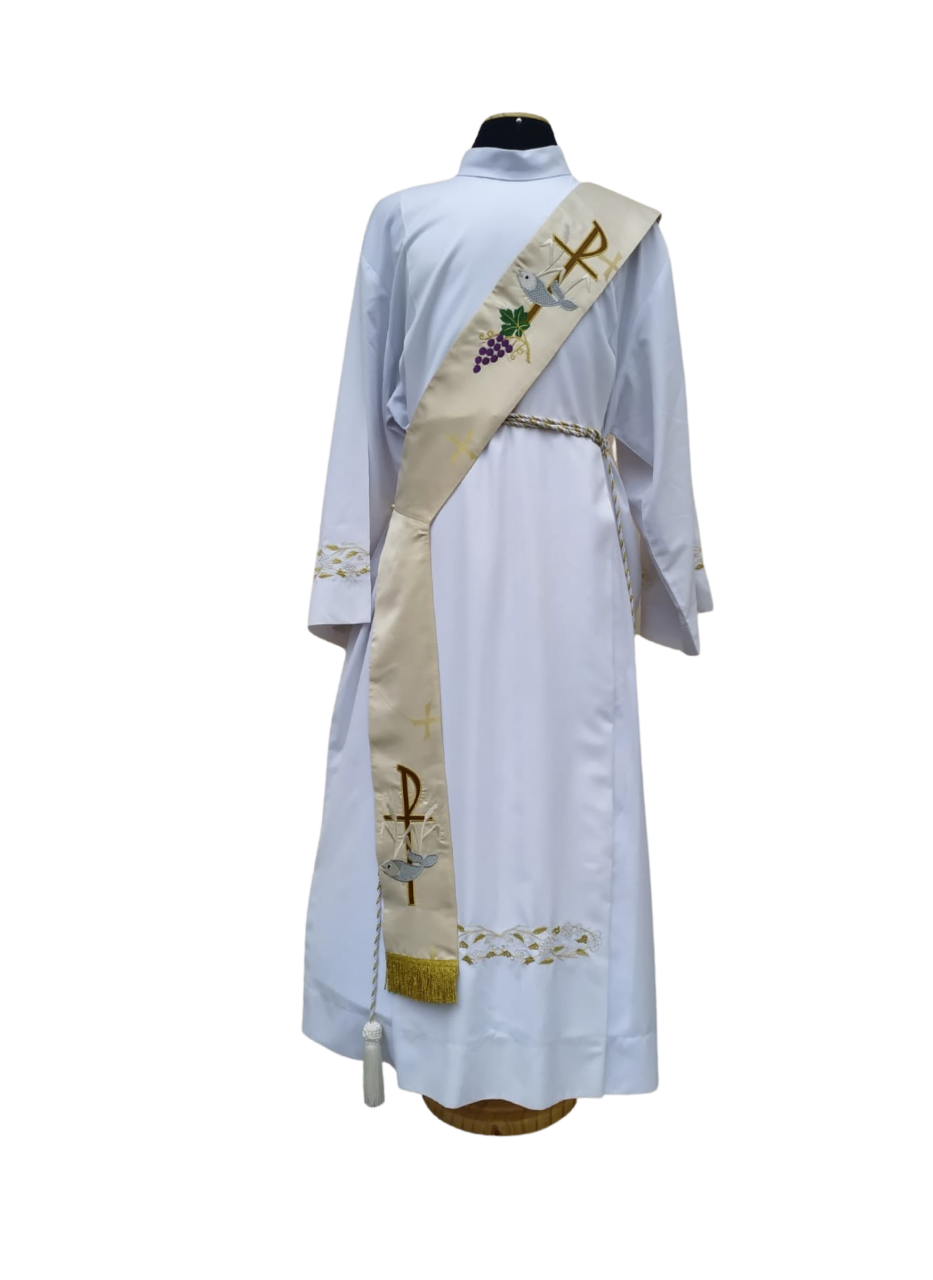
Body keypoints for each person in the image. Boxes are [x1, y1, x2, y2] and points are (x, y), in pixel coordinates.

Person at [301, 114, 713, 1135]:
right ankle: (436, 1033)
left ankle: (543, 1039)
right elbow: (658, 425)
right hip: (528, 545)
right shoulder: (401, 217)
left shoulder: (619, 229)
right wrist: (673, 576)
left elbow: (654, 407)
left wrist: (349, 574)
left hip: (456, 540)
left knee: (547, 789)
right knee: (494, 783)